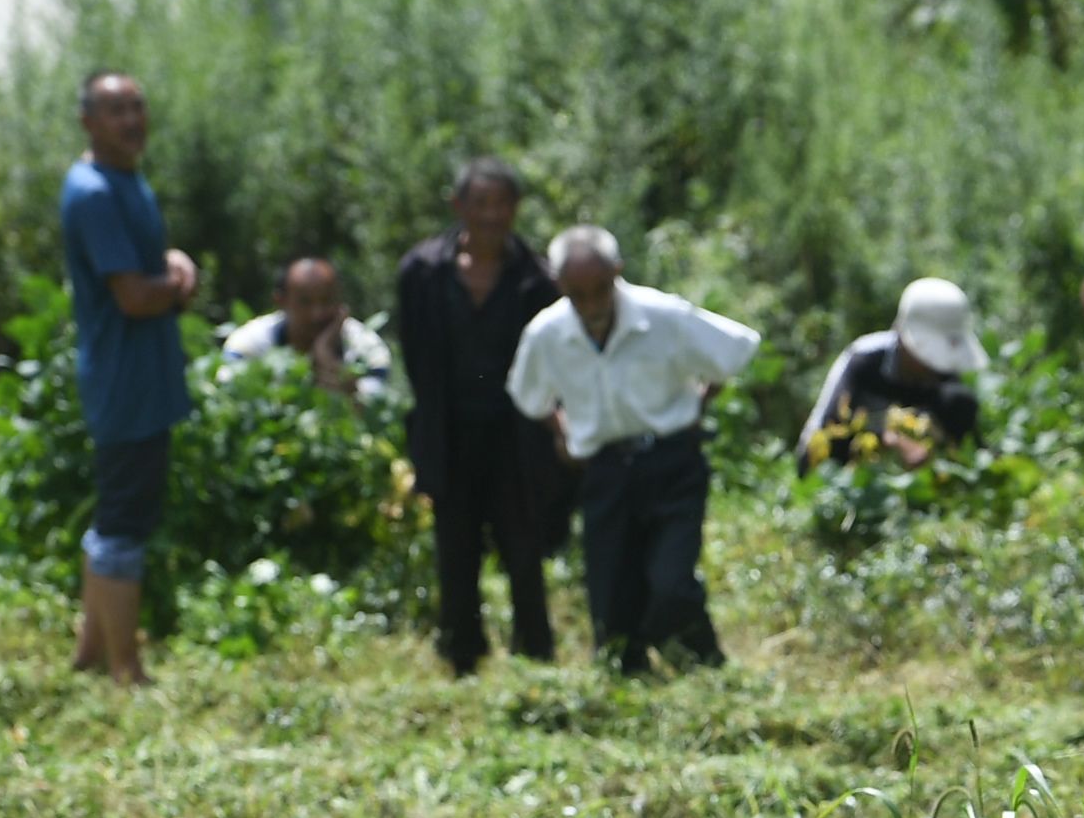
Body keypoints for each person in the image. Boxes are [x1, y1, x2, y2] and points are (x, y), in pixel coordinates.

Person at [508, 226, 759, 676]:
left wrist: (699, 401)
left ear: (617, 273)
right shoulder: (547, 333)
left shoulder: (662, 315)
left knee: (670, 583)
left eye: (599, 289)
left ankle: (706, 666)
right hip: (604, 469)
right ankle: (630, 680)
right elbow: (528, 396)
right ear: (559, 284)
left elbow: (733, 350)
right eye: (577, 293)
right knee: (610, 601)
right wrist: (561, 429)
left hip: (672, 461)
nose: (591, 304)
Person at [394, 161, 564, 674]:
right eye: (481, 203)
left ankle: (535, 652)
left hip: (517, 437)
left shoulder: (537, 278)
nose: (492, 215)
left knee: (523, 544)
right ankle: (461, 652)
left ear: (515, 209)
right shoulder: (422, 272)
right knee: (455, 545)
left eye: (502, 203)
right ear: (459, 207)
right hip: (449, 433)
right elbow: (415, 355)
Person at [59, 70, 198, 685]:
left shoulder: (126, 179)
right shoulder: (93, 192)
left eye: (138, 107)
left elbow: (145, 272)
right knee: (124, 520)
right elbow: (136, 298)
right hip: (124, 380)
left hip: (145, 375)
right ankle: (126, 668)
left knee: (118, 513)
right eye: (116, 111)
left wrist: (169, 267)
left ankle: (92, 649)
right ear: (89, 121)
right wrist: (180, 285)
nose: (132, 121)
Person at [797, 277, 983, 474]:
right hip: (841, 469)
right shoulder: (865, 360)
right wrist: (891, 440)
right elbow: (832, 426)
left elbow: (969, 440)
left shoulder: (944, 375)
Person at [221, 257, 390, 407]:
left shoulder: (368, 350)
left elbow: (374, 415)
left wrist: (327, 358)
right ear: (281, 301)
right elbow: (229, 402)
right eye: (305, 301)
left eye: (326, 300)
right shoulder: (247, 345)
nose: (317, 313)